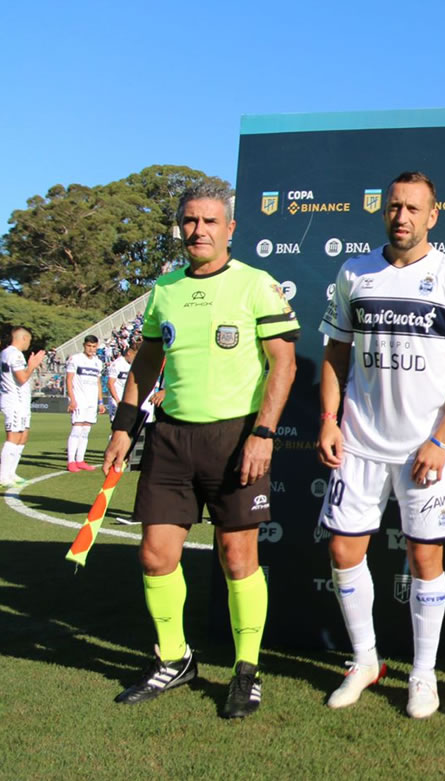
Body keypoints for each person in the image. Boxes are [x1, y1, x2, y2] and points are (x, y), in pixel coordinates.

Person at [104, 181, 299, 719]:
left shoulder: (256, 284)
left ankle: (246, 671)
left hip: (235, 438)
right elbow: (147, 362)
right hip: (171, 438)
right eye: (190, 221)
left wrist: (263, 434)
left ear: (230, 229)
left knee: (238, 558)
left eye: (210, 221)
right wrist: (123, 427)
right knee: (155, 554)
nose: (199, 230)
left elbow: (284, 364)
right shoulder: (164, 290)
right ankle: (174, 659)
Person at [316, 171, 445, 719]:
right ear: (383, 210)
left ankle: (423, 674)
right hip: (359, 442)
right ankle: (365, 661)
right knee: (344, 551)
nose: (402, 217)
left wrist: (441, 438)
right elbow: (334, 354)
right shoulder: (355, 273)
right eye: (394, 207)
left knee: (424, 557)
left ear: (433, 216)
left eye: (414, 209)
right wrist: (329, 420)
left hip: (424, 447)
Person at [0, 326, 46, 487]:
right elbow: (22, 378)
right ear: (24, 338)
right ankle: (3, 475)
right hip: (14, 401)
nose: (29, 344)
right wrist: (32, 365)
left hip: (21, 402)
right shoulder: (15, 354)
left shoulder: (7, 353)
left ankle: (11, 473)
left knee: (22, 436)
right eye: (29, 340)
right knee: (13, 438)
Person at [65, 335, 106, 472]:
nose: (91, 349)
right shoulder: (75, 359)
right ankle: (71, 461)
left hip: (92, 401)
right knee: (77, 429)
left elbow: (98, 382)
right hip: (79, 399)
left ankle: (80, 460)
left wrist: (100, 402)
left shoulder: (98, 362)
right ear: (84, 345)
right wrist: (72, 399)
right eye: (89, 346)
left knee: (86, 431)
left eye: (94, 346)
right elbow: (69, 380)